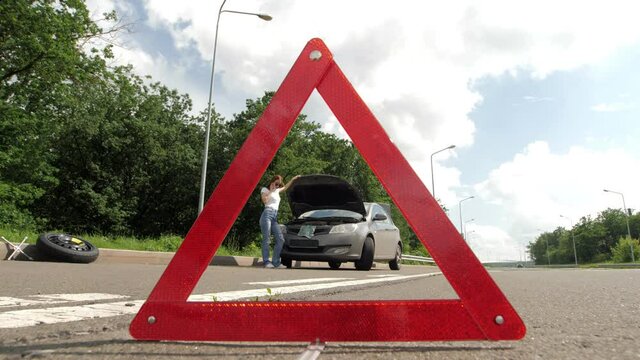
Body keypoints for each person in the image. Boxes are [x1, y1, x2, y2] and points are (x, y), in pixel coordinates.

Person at [260, 174, 300, 268]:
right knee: (267, 239)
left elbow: (285, 187)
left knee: (280, 239)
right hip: (267, 214)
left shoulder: (277, 190)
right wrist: (271, 191)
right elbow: (265, 201)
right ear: (272, 181)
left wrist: (293, 179)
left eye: (279, 184)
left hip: (274, 216)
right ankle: (266, 262)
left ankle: (276, 262)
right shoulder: (265, 190)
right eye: (276, 183)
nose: (278, 185)